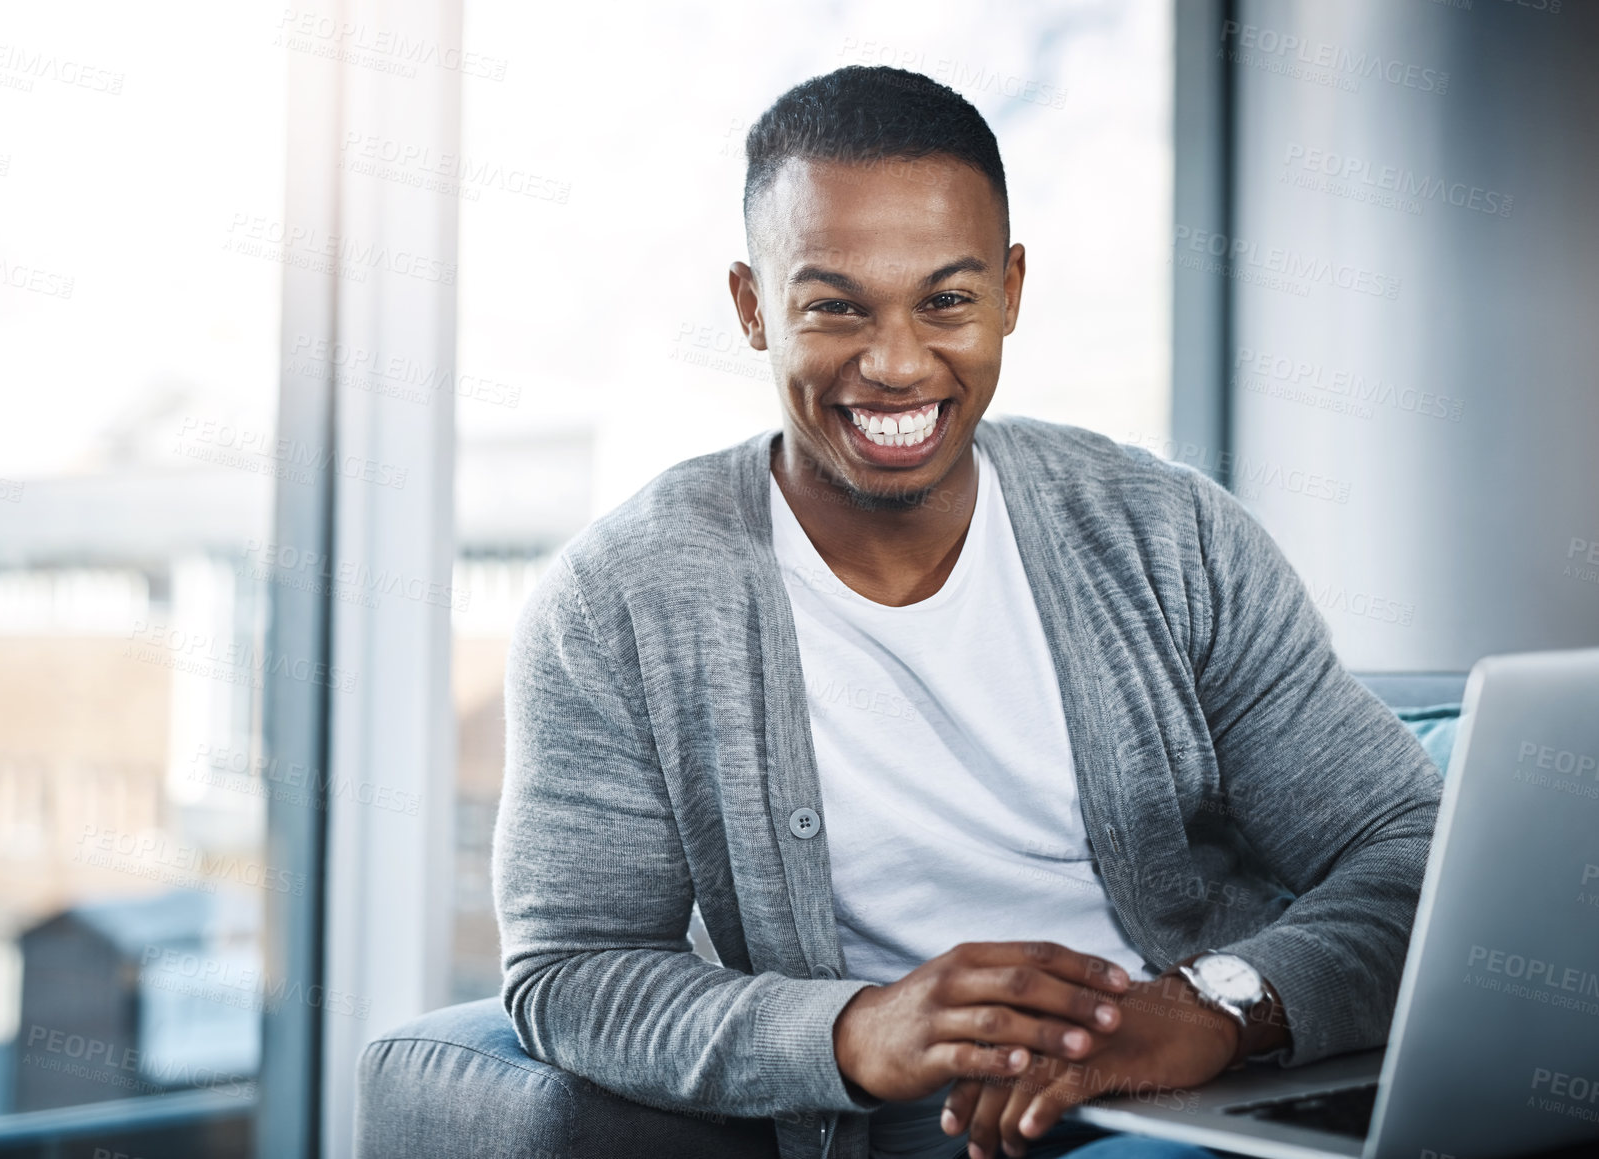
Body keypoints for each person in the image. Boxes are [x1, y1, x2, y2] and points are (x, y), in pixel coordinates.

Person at [493, 65, 1442, 1159]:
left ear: (1009, 290)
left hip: (1203, 1095)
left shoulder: (1165, 532)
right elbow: (570, 972)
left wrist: (1216, 1009)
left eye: (945, 300)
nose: (895, 364)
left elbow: (1404, 849)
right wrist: (851, 1030)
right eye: (833, 306)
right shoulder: (617, 600)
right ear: (754, 309)